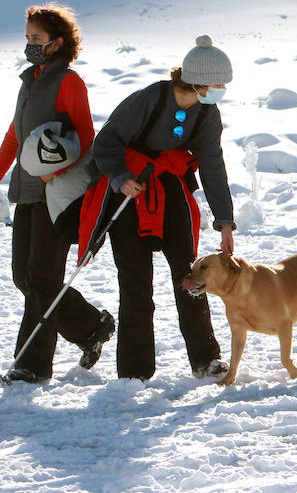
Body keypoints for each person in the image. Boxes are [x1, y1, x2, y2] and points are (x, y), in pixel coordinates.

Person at [0, 3, 115, 385]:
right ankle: (91, 327)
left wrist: (61, 173)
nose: (30, 45)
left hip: (58, 196)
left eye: (36, 38)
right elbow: (13, 138)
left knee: (43, 279)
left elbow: (87, 137)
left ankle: (31, 366)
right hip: (27, 191)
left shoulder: (69, 82)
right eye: (27, 38)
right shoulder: (30, 81)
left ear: (58, 42)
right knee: (25, 277)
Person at [91, 35, 237, 381]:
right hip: (130, 191)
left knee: (191, 277)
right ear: (197, 80)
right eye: (218, 83)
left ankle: (206, 360)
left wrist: (225, 221)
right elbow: (105, 142)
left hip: (170, 191)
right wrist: (121, 177)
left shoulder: (207, 113)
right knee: (135, 283)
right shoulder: (149, 100)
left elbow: (212, 165)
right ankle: (134, 371)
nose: (222, 90)